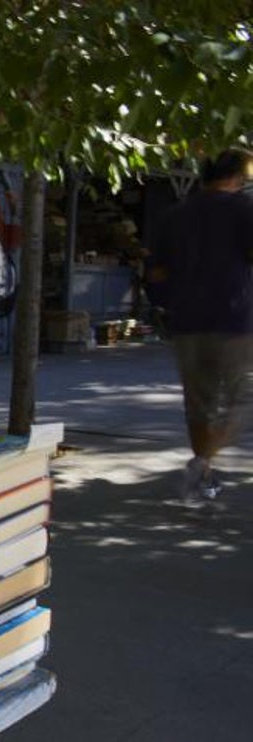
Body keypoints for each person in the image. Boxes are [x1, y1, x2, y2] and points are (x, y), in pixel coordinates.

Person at [146, 148, 253, 501]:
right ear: (238, 176)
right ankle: (202, 463)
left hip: (187, 321)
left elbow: (156, 273)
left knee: (199, 402)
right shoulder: (245, 210)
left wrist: (168, 302)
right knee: (238, 401)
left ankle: (202, 471)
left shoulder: (174, 216)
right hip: (233, 319)